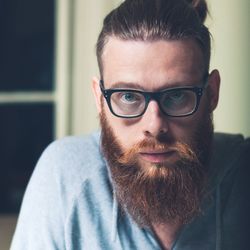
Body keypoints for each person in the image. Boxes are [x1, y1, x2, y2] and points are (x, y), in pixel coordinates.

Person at [11, 0, 250, 249]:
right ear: (99, 99)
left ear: (212, 93)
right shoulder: (64, 175)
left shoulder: (243, 172)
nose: (155, 125)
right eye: (128, 96)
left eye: (177, 95)